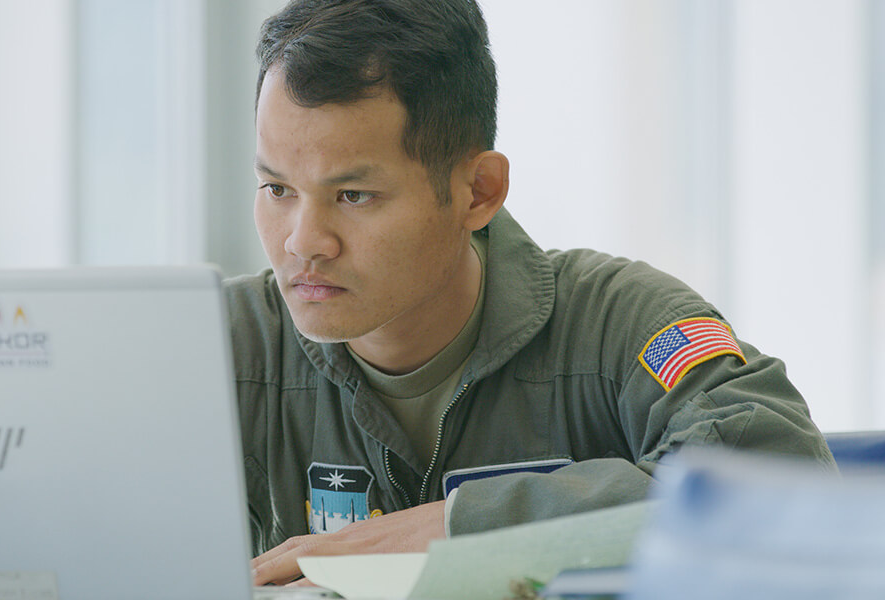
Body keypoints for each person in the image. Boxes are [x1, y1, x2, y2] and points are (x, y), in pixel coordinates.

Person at [225, 0, 836, 587]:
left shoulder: (622, 324)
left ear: (479, 191)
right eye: (277, 189)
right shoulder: (216, 345)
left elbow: (785, 486)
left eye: (354, 196)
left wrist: (461, 526)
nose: (304, 242)